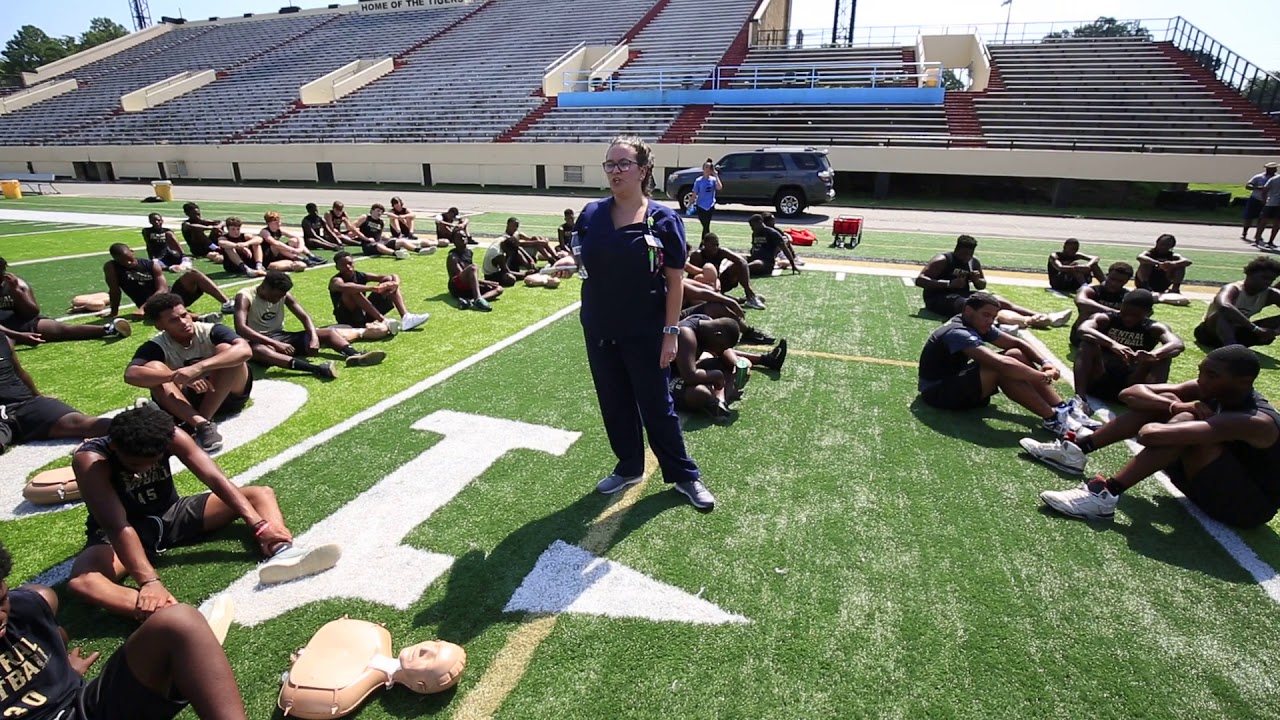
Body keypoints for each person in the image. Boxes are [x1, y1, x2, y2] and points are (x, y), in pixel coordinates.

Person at [67, 406, 342, 617]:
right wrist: (149, 581)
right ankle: (169, 612)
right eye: (135, 463)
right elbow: (118, 526)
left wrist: (258, 525)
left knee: (260, 494)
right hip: (124, 533)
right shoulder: (92, 459)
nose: (142, 469)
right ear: (115, 446)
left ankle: (282, 552)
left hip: (172, 513)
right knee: (84, 581)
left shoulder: (169, 435)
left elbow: (215, 479)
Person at [574, 135, 715, 510]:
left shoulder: (664, 219)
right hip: (600, 327)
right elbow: (583, 257)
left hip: (646, 330)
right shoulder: (591, 213)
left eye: (623, 164)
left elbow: (674, 281)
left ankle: (685, 475)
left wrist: (670, 333)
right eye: (610, 164)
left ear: (643, 170)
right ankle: (629, 465)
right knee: (614, 401)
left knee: (656, 404)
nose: (615, 171)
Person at [1029, 346, 1280, 528]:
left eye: (1212, 375)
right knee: (1170, 404)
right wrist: (1174, 406)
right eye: (1202, 371)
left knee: (1185, 421)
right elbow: (1130, 393)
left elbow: (1151, 436)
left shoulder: (1255, 420)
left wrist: (1180, 411)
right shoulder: (1214, 388)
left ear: (1244, 382)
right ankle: (1076, 450)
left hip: (1246, 507)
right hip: (1203, 482)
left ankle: (1105, 495)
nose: (1202, 380)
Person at [0, 540, 252, 720]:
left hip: (81, 707)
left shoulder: (26, 608)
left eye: (1, 600)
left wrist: (62, 670)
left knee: (178, 620)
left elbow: (49, 626)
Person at [916, 292, 1087, 435]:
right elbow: (1001, 364)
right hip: (936, 392)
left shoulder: (974, 322)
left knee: (1015, 354)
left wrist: (1046, 363)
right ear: (968, 311)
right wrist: (1042, 376)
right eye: (986, 315)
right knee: (1000, 369)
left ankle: (1062, 408)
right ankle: (1053, 419)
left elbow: (1017, 344)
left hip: (954, 380)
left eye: (993, 317)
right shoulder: (957, 332)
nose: (990, 321)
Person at [125, 293, 254, 453]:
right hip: (188, 402)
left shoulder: (210, 330)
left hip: (228, 396)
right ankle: (202, 425)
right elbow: (131, 374)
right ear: (160, 326)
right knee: (153, 368)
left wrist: (198, 368)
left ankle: (201, 420)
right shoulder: (157, 345)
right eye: (173, 320)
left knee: (227, 350)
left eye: (184, 315)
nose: (184, 322)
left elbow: (245, 350)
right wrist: (175, 375)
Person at [234, 271, 385, 378]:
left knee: (327, 333)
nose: (279, 299)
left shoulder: (283, 294)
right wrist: (275, 343)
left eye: (281, 296)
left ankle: (355, 355)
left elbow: (304, 316)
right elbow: (241, 328)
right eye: (276, 296)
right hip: (257, 342)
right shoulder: (245, 296)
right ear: (265, 287)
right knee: (261, 351)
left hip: (281, 337)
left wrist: (314, 337)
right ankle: (317, 369)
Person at [916, 235, 1072, 330]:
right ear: (957, 249)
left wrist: (977, 280)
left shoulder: (973, 262)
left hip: (963, 295)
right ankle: (1001, 326)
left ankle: (1044, 316)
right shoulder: (943, 260)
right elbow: (920, 280)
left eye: (970, 253)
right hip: (939, 298)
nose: (967, 256)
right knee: (970, 306)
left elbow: (982, 285)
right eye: (964, 253)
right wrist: (948, 284)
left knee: (995, 300)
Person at [0, 333, 109, 454]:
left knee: (84, 423)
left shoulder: (4, 339)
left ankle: (113, 439)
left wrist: (38, 397)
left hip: (25, 403)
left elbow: (20, 373)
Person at [1073, 289, 1183, 408]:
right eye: (1125, 313)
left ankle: (1150, 404)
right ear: (1121, 307)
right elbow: (1083, 329)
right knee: (1087, 344)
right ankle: (1080, 399)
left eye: (1135, 316)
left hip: (1130, 384)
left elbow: (1177, 344)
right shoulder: (1106, 319)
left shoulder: (1153, 328)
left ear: (1149, 313)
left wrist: (1154, 355)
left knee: (1163, 358)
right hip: (1099, 377)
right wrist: (1113, 344)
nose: (1128, 318)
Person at [670, 314, 786, 423]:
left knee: (734, 363)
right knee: (701, 393)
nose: (719, 351)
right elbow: (689, 376)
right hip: (666, 377)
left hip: (687, 368)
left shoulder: (706, 323)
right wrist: (717, 375)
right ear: (718, 334)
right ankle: (716, 400)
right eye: (720, 346)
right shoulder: (686, 335)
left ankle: (720, 402)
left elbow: (725, 351)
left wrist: (737, 365)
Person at [0, 257, 131, 345]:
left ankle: (110, 330)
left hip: (18, 320)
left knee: (60, 329)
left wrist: (16, 292)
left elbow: (32, 313)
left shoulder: (16, 284)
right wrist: (18, 336)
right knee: (6, 346)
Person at [104, 243, 234, 322]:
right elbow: (115, 291)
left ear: (132, 252)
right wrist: (113, 312)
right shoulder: (112, 267)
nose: (127, 263)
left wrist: (142, 308)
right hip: (153, 306)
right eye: (122, 261)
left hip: (167, 295)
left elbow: (162, 288)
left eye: (129, 259)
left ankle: (226, 303)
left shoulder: (151, 265)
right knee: (162, 313)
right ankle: (201, 318)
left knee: (192, 274)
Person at [329, 251, 431, 330]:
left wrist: (395, 283)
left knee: (388, 281)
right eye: (343, 265)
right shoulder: (335, 280)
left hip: (364, 314)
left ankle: (406, 317)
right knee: (352, 290)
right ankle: (383, 320)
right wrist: (372, 288)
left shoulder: (360, 275)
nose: (348, 267)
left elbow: (391, 276)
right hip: (348, 318)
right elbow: (345, 287)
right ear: (337, 267)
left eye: (350, 263)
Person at [1193, 255, 1280, 348]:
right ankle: (1232, 347)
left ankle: (1234, 344)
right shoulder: (1234, 288)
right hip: (1209, 333)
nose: (1268, 282)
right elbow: (1224, 306)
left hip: (1238, 331)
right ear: (1249, 274)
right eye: (1264, 278)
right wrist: (1255, 329)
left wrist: (1274, 332)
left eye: (1272, 279)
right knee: (1224, 313)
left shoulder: (1270, 294)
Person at [687, 233, 765, 309]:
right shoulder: (697, 256)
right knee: (702, 282)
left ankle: (749, 295)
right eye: (713, 245)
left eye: (717, 245)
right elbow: (691, 276)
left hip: (718, 283)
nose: (716, 247)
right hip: (701, 284)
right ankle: (739, 300)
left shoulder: (721, 252)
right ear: (705, 244)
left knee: (738, 265)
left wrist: (748, 288)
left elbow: (742, 262)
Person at [1068, 261, 1133, 345]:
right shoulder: (1091, 290)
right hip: (1083, 335)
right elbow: (1081, 301)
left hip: (1109, 335)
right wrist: (1115, 312)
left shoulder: (1127, 295)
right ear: (1107, 275)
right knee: (1088, 311)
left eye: (1120, 281)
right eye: (1112, 279)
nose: (1114, 283)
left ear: (1126, 281)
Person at [445, 231, 502, 311]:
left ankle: (470, 302)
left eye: (464, 237)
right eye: (460, 237)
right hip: (457, 288)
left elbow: (471, 277)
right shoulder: (452, 257)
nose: (463, 239)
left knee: (499, 289)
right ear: (454, 241)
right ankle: (478, 298)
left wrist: (486, 283)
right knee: (473, 267)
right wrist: (485, 282)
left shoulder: (469, 252)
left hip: (468, 287)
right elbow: (462, 276)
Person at [351, 204, 426, 258]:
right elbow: (352, 227)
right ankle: (395, 254)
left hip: (379, 242)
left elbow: (378, 235)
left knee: (401, 241)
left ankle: (419, 250)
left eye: (381, 212)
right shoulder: (365, 217)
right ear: (372, 210)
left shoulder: (381, 222)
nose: (379, 213)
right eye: (378, 211)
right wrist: (365, 238)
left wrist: (384, 238)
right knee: (378, 245)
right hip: (368, 245)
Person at [259, 211, 324, 271]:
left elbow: (298, 237)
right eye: (276, 222)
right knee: (277, 245)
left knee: (294, 240)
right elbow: (275, 243)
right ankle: (300, 258)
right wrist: (292, 250)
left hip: (280, 253)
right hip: (269, 255)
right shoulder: (264, 232)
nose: (279, 224)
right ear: (269, 223)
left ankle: (310, 256)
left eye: (279, 221)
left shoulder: (280, 230)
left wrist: (300, 248)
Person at [746, 213, 799, 278]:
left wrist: (793, 265)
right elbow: (754, 247)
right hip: (754, 258)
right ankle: (739, 268)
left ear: (760, 222)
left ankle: (740, 269)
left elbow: (785, 249)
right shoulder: (755, 233)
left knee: (757, 264)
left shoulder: (772, 233)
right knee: (740, 258)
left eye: (753, 226)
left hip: (766, 263)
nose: (752, 228)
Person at [1242, 162, 1277, 241]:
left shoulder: (1276, 178)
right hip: (1255, 199)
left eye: (1275, 168)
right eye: (1272, 168)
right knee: (1249, 217)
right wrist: (1257, 187)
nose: (1274, 170)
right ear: (1267, 169)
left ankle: (1258, 235)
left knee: (1262, 218)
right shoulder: (1259, 177)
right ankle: (1245, 232)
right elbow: (1248, 185)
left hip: (1269, 200)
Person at [690, 159, 721, 241]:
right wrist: (690, 204)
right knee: (705, 225)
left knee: (706, 225)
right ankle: (707, 241)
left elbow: (719, 187)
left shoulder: (713, 180)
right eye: (706, 167)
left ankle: (704, 242)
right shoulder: (699, 181)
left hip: (710, 205)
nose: (708, 169)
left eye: (709, 167)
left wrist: (716, 175)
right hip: (701, 205)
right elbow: (694, 193)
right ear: (703, 169)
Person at [1255, 170, 1280, 248]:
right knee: (1277, 223)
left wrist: (1264, 200)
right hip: (1274, 203)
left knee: (1263, 221)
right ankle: (1270, 241)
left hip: (1270, 202)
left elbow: (1265, 190)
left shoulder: (1274, 179)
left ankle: (1257, 240)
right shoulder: (1275, 179)